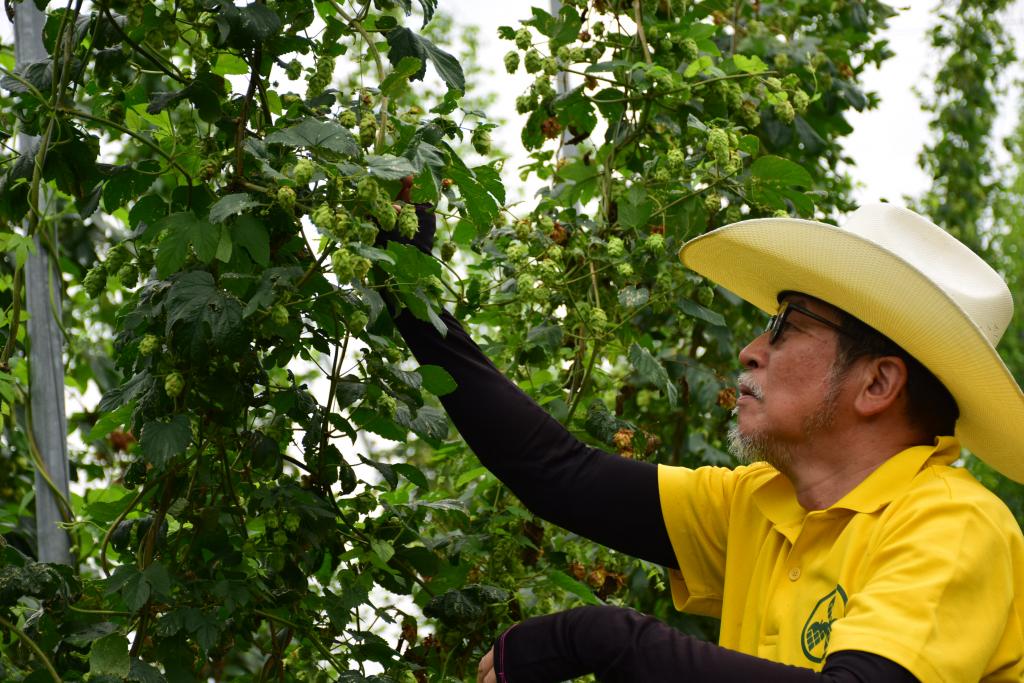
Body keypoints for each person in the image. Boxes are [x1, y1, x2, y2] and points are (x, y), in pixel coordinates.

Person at [388, 202, 1024, 682]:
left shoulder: (953, 525)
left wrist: (602, 636)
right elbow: (558, 473)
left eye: (785, 326)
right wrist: (413, 300)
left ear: (878, 382)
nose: (749, 351)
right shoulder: (765, 505)